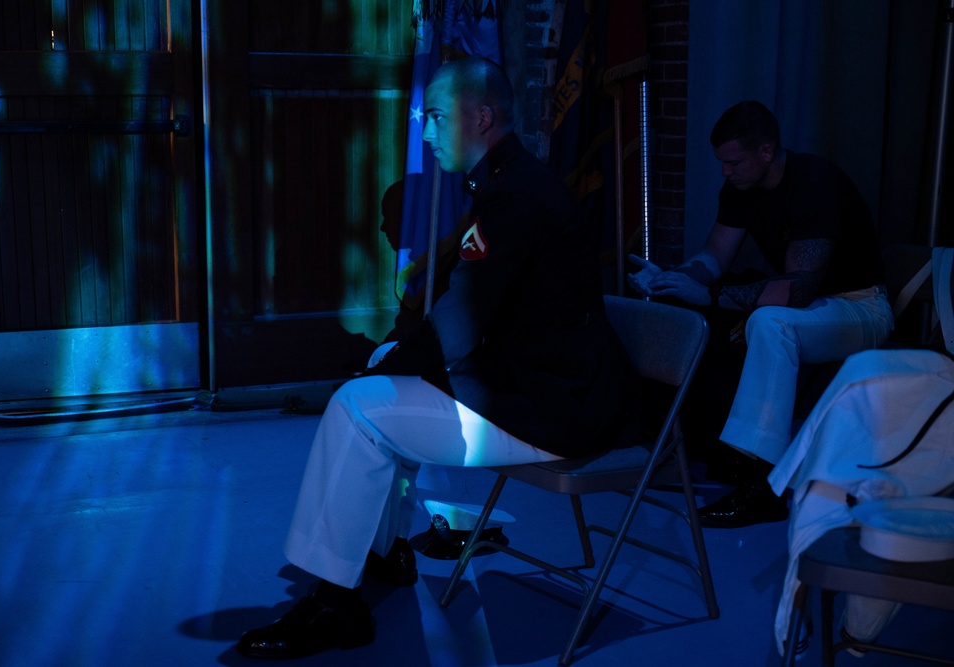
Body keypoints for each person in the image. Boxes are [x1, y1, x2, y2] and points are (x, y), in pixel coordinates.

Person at [236, 57, 641, 660]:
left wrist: (390, 362)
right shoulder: (507, 186)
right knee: (379, 399)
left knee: (357, 408)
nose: (425, 133)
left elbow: (460, 320)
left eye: (435, 117)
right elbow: (466, 307)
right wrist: (399, 357)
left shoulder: (515, 199)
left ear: (481, 118)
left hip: (552, 408)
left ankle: (335, 604)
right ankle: (382, 554)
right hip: (537, 386)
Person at [628, 100, 893, 528]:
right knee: (703, 312)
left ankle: (762, 484)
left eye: (733, 162)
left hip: (861, 307)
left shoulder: (814, 185)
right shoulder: (739, 189)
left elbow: (798, 288)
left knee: (768, 322)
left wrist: (710, 294)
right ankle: (698, 452)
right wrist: (675, 279)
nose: (725, 172)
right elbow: (714, 256)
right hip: (811, 307)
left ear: (766, 152)